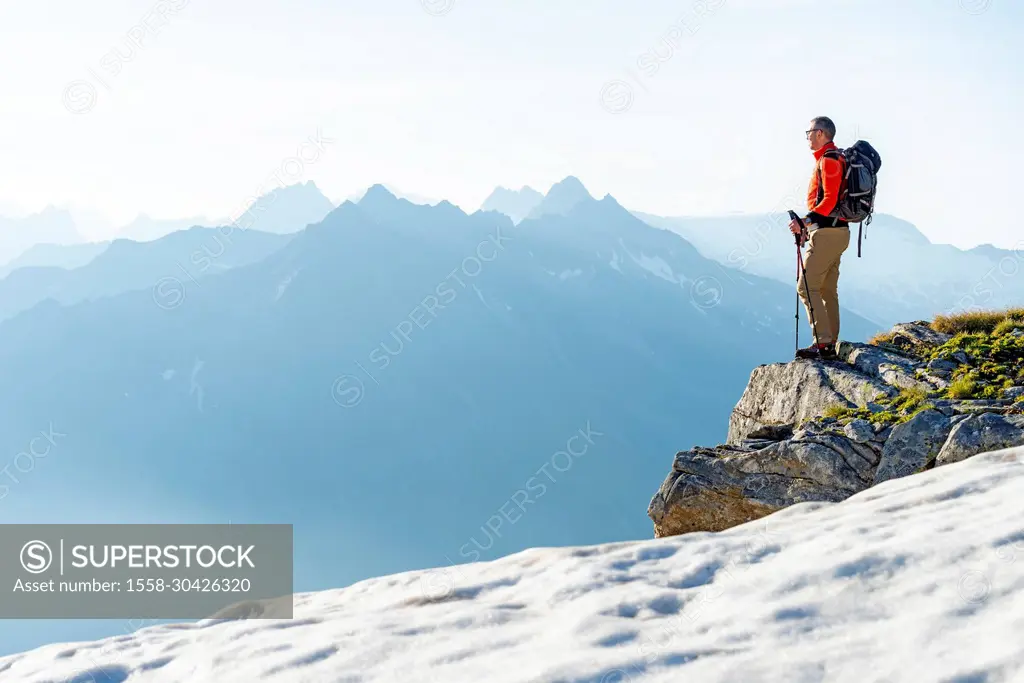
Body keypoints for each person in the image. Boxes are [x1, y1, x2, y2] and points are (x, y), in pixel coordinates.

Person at [789, 116, 851, 361]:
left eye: (810, 132)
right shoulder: (834, 159)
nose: (808, 136)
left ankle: (823, 344)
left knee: (806, 287)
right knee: (826, 288)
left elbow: (830, 201)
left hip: (827, 234)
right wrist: (810, 224)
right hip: (836, 232)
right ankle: (831, 342)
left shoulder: (830, 160)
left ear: (821, 133)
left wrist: (805, 222)